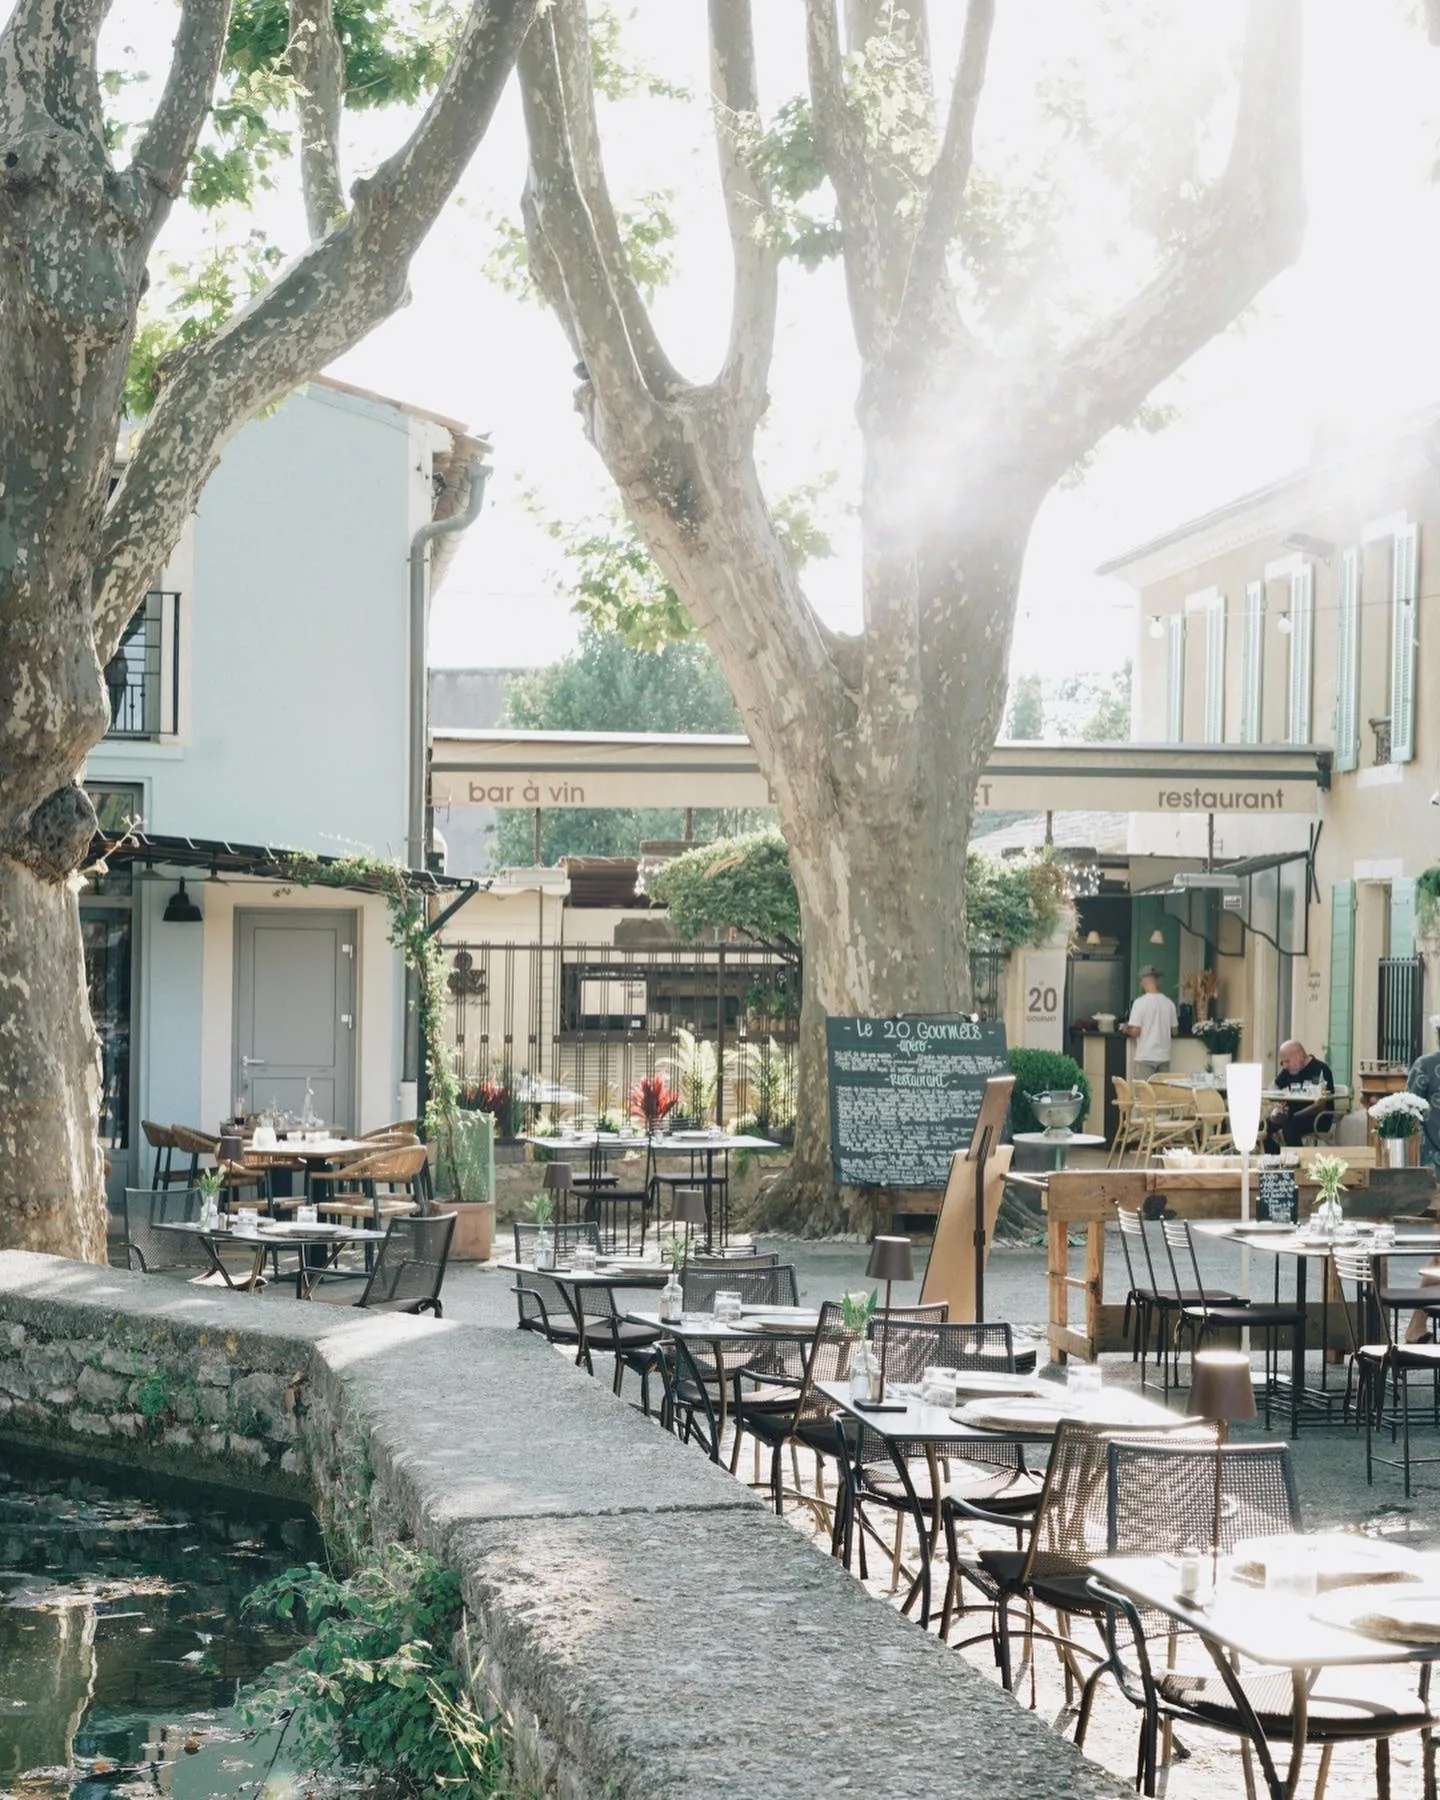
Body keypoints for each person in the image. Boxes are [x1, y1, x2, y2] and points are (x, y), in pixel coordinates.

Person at [1263, 1040, 1335, 1153]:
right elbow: (1273, 1089)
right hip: (1292, 1114)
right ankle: (1276, 1158)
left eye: (1287, 1061)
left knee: (1290, 1126)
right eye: (1282, 1062)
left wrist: (1294, 1115)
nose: (1285, 1066)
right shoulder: (1289, 1071)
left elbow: (1320, 1105)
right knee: (1263, 1127)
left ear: (1300, 1057)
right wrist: (1277, 1109)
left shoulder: (1319, 1070)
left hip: (1317, 1117)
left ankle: (1297, 1162)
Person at [1123, 965, 1178, 1080]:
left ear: (1143, 982)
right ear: (1157, 981)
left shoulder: (1139, 1003)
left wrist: (1125, 1028)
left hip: (1145, 1057)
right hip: (1164, 1058)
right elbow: (1174, 1031)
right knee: (1162, 1095)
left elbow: (1136, 1031)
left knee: (1144, 1096)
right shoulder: (1169, 1003)